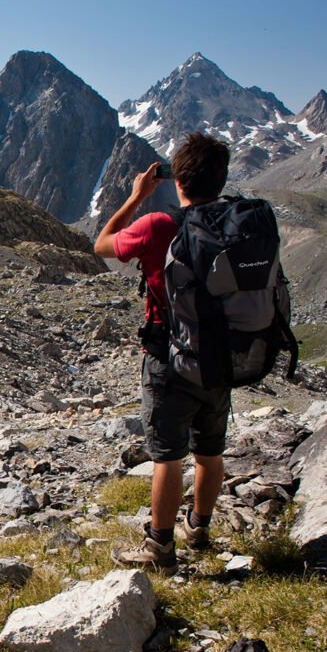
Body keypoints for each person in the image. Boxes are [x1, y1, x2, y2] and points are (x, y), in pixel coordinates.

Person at [93, 133, 232, 571]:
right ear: (220, 179)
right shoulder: (236, 224)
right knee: (209, 450)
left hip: (168, 358)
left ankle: (160, 548)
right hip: (219, 358)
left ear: (178, 179)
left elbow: (102, 245)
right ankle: (201, 528)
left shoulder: (158, 225)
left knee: (167, 456)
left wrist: (137, 196)